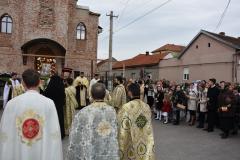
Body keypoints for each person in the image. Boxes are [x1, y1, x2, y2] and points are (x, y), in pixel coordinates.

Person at [0, 69, 63, 160]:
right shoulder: (49, 103)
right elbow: (53, 134)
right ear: (39, 83)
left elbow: (6, 133)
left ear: (23, 83)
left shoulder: (11, 104)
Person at [67, 83, 119, 160]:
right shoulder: (112, 111)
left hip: (90, 151)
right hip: (108, 152)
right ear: (105, 94)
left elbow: (75, 135)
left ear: (91, 94)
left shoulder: (83, 112)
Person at [118, 83, 155, 160]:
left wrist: (121, 145)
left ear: (130, 93)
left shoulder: (126, 107)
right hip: (145, 139)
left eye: (128, 91)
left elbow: (122, 128)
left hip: (131, 141)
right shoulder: (146, 106)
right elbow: (147, 124)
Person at [44, 74, 66, 139]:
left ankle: (52, 135)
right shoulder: (61, 86)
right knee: (60, 120)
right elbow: (64, 96)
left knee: (52, 120)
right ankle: (61, 134)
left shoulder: (50, 86)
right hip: (59, 107)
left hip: (51, 107)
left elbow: (45, 95)